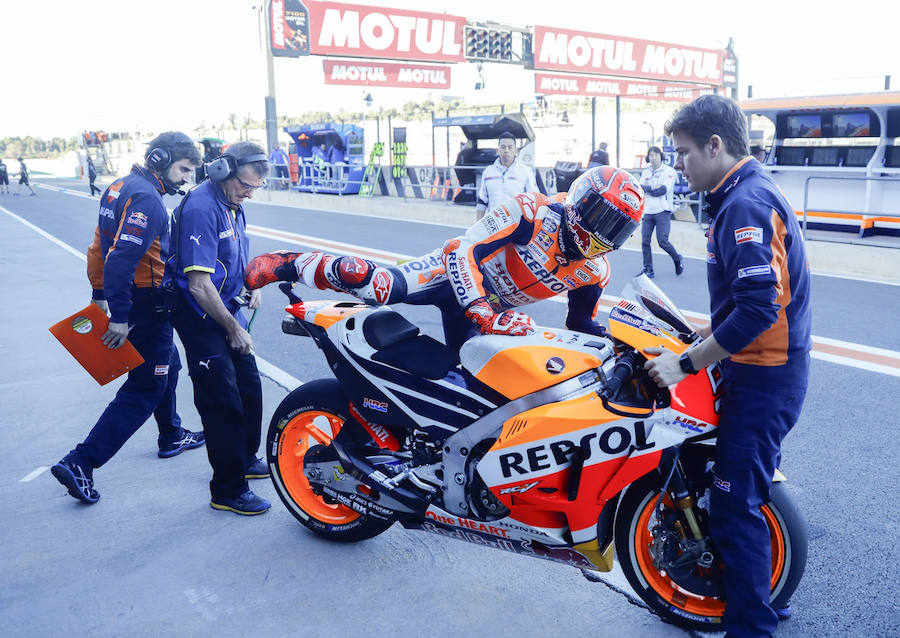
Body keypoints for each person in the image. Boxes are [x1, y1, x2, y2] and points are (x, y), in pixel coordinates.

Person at [644, 95, 811, 638]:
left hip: (764, 378)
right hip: (760, 371)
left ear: (715, 146)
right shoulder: (743, 192)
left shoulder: (744, 204)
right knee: (745, 493)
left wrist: (687, 362)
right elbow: (749, 303)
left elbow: (761, 310)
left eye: (685, 152)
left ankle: (751, 628)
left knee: (733, 504)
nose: (679, 164)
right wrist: (700, 337)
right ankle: (758, 595)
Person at [245, 165, 645, 351]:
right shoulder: (533, 211)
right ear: (580, 202)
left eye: (618, 228)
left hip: (488, 311)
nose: (604, 234)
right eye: (602, 217)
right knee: (376, 284)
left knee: (478, 382)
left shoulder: (595, 270)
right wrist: (483, 310)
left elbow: (580, 323)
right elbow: (464, 249)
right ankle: (288, 263)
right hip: (452, 275)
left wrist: (623, 342)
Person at [51, 132, 204, 505]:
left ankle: (171, 435)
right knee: (146, 386)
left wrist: (99, 293)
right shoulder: (149, 200)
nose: (186, 178)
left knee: (169, 363)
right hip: (145, 304)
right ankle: (81, 462)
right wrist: (118, 314)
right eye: (183, 169)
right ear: (159, 159)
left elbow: (99, 245)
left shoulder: (119, 186)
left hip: (130, 299)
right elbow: (119, 257)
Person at [164, 141, 271, 516]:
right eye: (245, 185)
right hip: (201, 315)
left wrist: (249, 285)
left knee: (250, 388)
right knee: (221, 401)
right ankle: (227, 489)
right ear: (222, 170)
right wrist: (233, 329)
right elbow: (197, 284)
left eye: (255, 188)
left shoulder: (233, 204)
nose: (249, 193)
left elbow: (234, 256)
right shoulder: (201, 207)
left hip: (228, 308)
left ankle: (244, 458)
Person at [638, 146, 683, 278]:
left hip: (663, 210)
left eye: (656, 155)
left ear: (661, 156)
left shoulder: (669, 171)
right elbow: (640, 188)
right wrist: (652, 187)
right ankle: (648, 269)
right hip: (648, 210)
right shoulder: (645, 171)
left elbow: (662, 190)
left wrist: (649, 188)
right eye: (651, 155)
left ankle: (677, 258)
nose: (653, 158)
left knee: (662, 241)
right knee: (645, 241)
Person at [475, 131, 537, 220]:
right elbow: (482, 200)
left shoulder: (526, 172)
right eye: (503, 147)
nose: (506, 150)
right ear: (497, 151)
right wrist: (477, 224)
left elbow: (534, 200)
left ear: (516, 151)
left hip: (517, 225)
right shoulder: (488, 172)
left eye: (510, 147)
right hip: (494, 225)